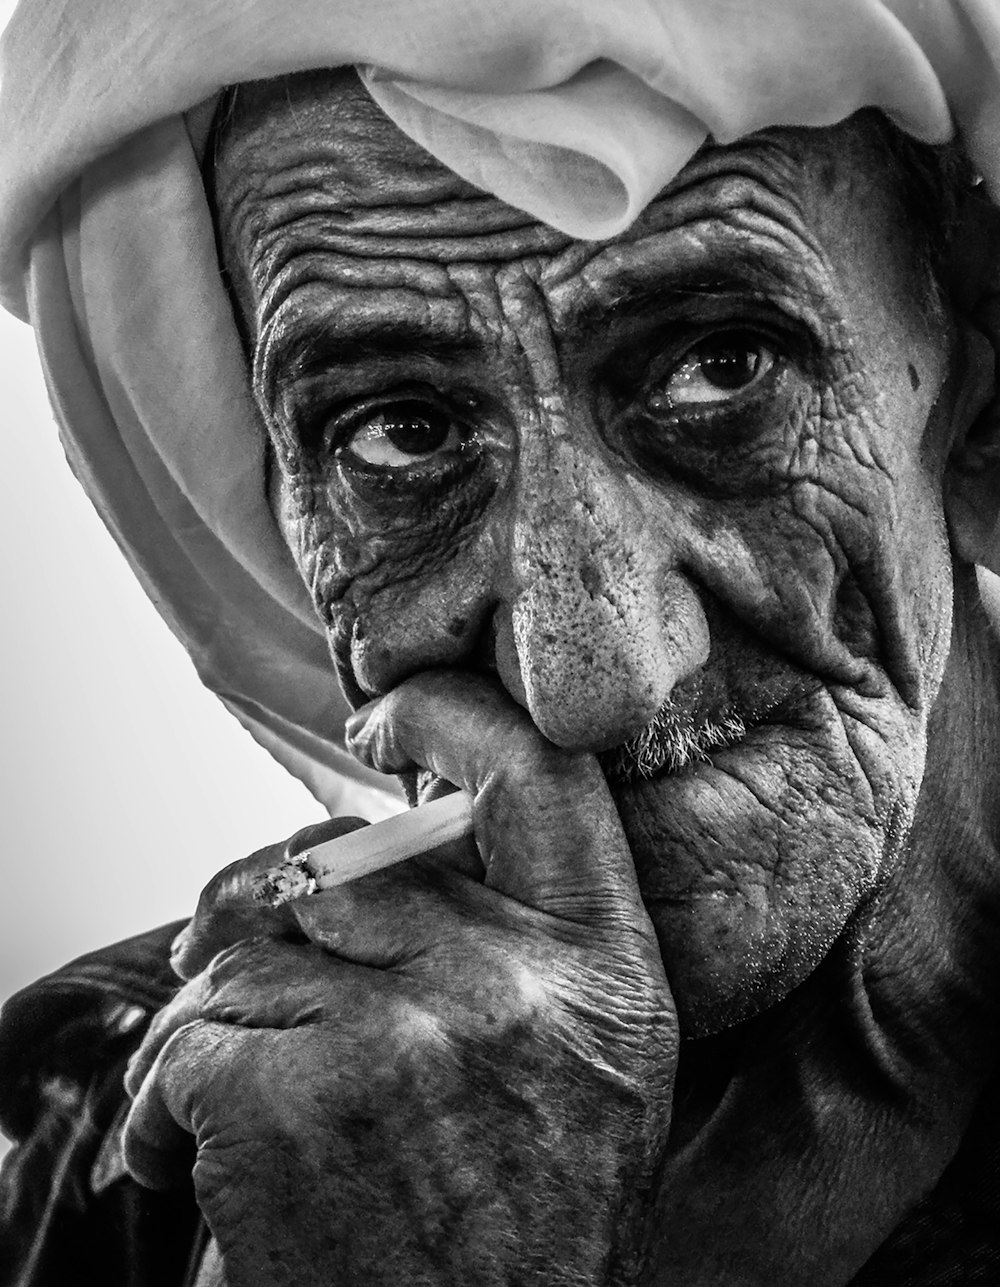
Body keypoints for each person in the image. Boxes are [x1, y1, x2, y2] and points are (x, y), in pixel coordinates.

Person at [3, 2, 1000, 1284]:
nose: (590, 679)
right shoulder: (101, 1113)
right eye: (400, 435)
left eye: (722, 366)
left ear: (979, 405)